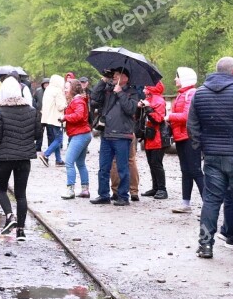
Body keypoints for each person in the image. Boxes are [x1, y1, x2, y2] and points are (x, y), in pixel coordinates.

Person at [187, 57, 233, 259]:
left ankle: (205, 246)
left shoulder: (200, 93)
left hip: (212, 157)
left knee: (211, 201)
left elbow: (191, 127)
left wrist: (203, 147)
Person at [0, 77, 40, 241]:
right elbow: (38, 134)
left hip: (4, 157)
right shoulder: (31, 110)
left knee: (1, 189)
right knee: (21, 194)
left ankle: (10, 217)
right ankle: (21, 231)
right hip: (24, 158)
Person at [90, 67, 139, 206]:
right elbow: (94, 97)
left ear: (126, 78)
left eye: (118, 74)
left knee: (122, 167)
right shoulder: (108, 90)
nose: (115, 77)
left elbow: (130, 109)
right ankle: (103, 194)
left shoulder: (132, 92)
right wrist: (103, 80)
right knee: (103, 167)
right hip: (107, 133)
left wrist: (121, 93)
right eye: (114, 74)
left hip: (122, 135)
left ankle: (123, 196)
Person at [166, 67, 203, 214]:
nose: (175, 79)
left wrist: (169, 117)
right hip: (181, 136)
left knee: (195, 170)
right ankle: (185, 203)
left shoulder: (191, 94)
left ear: (185, 78)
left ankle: (208, 203)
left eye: (177, 77)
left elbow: (187, 116)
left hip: (190, 137)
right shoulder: (182, 94)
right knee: (186, 171)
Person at [60, 80, 92, 199]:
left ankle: (70, 190)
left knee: (69, 161)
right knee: (80, 163)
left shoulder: (78, 100)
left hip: (80, 134)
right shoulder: (76, 100)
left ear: (73, 88)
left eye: (66, 87)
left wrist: (65, 117)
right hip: (82, 134)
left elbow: (79, 116)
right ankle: (85, 189)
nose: (64, 90)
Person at [138, 81, 168, 199]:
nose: (144, 89)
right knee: (151, 163)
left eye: (146, 87)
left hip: (158, 137)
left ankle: (162, 189)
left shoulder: (159, 101)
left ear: (152, 88)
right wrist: (141, 107)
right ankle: (155, 188)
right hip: (150, 136)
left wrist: (148, 107)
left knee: (157, 163)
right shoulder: (149, 99)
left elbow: (159, 119)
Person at [39, 74, 66, 166]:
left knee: (55, 139)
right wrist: (67, 103)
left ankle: (58, 160)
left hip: (48, 118)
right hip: (56, 118)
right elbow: (60, 106)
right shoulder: (58, 91)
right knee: (59, 139)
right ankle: (45, 154)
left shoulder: (48, 90)